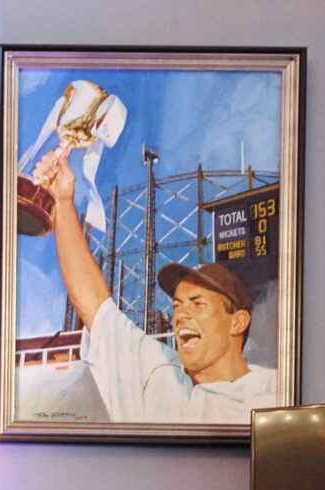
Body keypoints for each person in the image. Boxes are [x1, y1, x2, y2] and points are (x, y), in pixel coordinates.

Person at [31, 149, 275, 424]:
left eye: (197, 303)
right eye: (176, 305)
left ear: (238, 322)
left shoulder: (274, 396)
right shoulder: (159, 376)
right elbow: (93, 305)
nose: (180, 315)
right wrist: (63, 201)